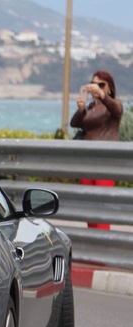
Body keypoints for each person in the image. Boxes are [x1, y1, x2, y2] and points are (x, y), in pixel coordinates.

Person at [70, 70, 123, 230]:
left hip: (105, 162)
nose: (96, 87)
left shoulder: (112, 105)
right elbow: (74, 123)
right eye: (94, 83)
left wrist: (103, 96)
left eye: (101, 84)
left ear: (109, 88)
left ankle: (102, 243)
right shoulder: (91, 107)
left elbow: (118, 109)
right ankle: (93, 241)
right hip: (88, 162)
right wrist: (81, 110)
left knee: (101, 207)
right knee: (89, 208)